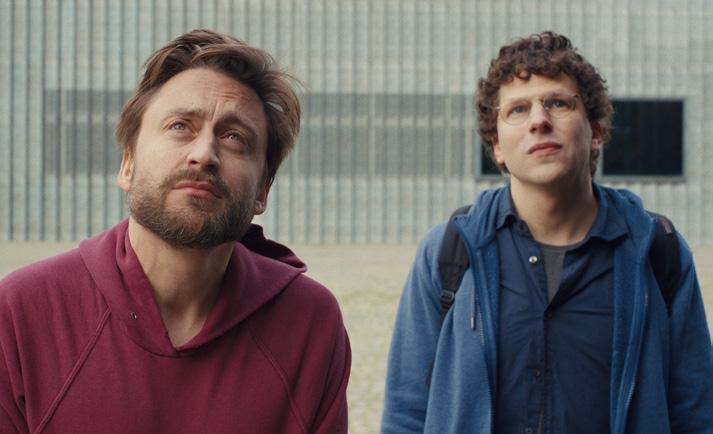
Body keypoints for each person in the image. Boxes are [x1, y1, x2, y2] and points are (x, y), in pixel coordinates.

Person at [0, 29, 350, 434]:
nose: (203, 154)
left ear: (262, 191)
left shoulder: (310, 324)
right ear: (127, 164)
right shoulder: (22, 313)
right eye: (180, 125)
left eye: (234, 137)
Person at [381, 31, 712, 434]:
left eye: (558, 103)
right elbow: (407, 412)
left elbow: (696, 413)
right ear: (497, 146)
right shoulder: (449, 251)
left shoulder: (658, 250)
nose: (539, 120)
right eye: (518, 109)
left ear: (596, 132)